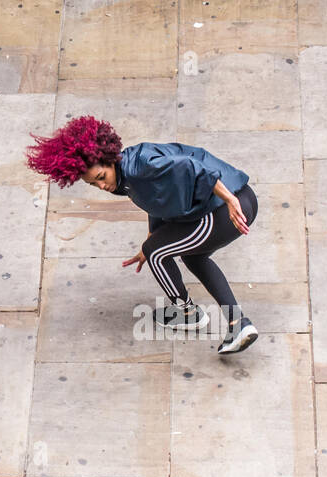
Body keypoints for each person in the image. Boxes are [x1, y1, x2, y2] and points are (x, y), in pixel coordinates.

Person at [26, 115, 260, 354]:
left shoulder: (139, 166)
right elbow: (156, 201)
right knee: (189, 256)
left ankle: (187, 313)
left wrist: (230, 201)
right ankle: (239, 325)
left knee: (157, 254)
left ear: (110, 159)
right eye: (93, 185)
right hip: (235, 202)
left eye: (101, 178)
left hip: (226, 209)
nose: (102, 187)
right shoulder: (126, 176)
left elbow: (193, 168)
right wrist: (152, 237)